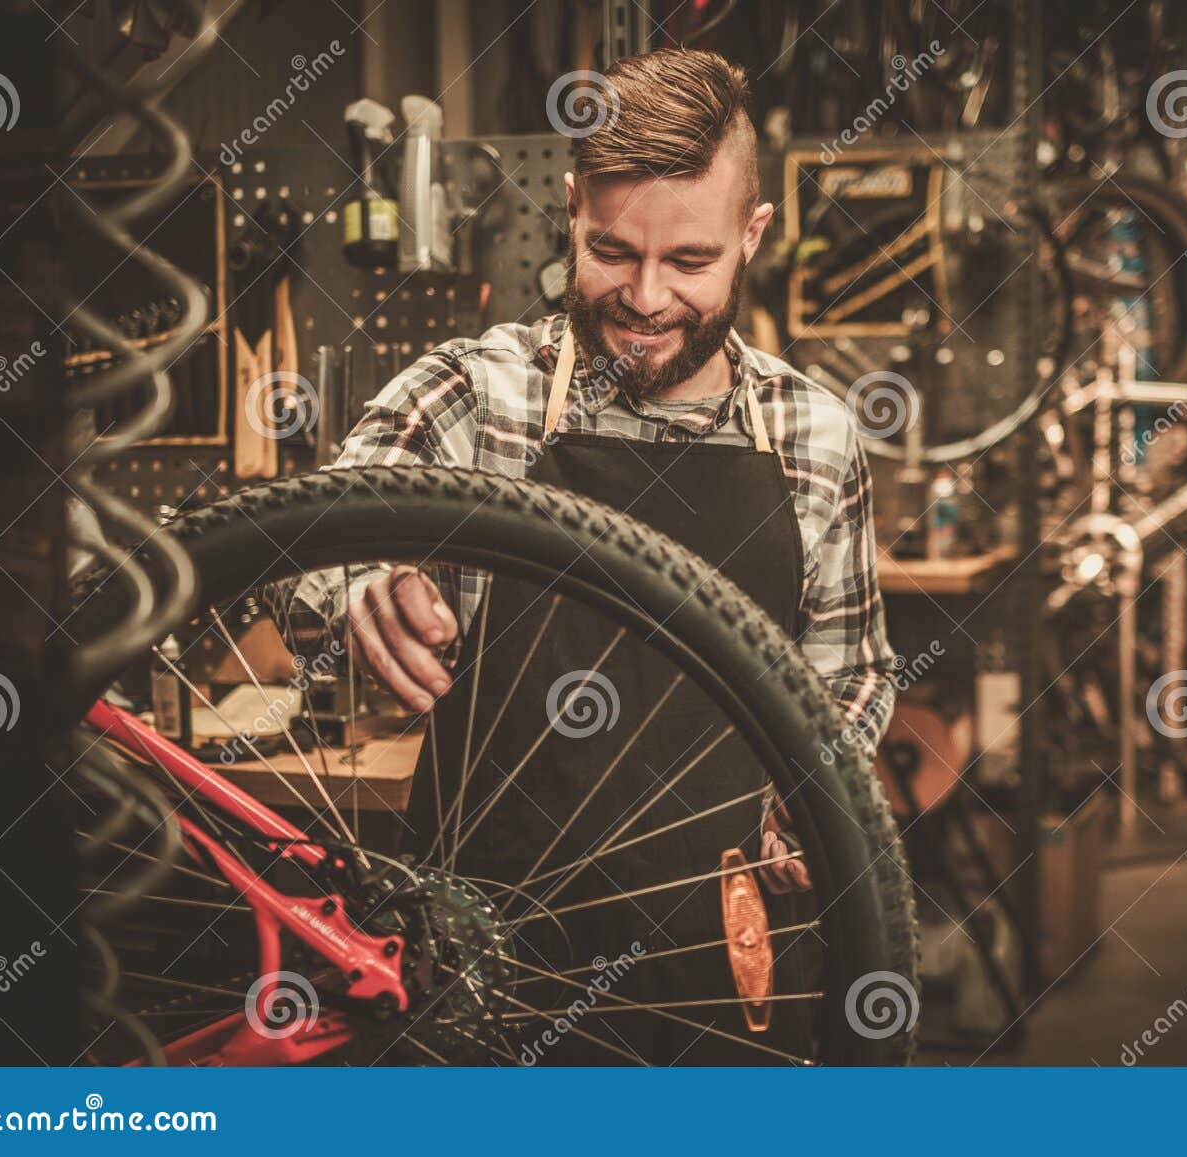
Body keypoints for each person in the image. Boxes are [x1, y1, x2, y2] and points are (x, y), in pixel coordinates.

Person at [325, 47, 897, 1061]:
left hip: (724, 961)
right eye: (610, 251)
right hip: (479, 957)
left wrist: (811, 794)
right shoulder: (478, 396)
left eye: (688, 261)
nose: (641, 297)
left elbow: (848, 678)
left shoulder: (813, 434)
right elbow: (303, 536)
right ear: (571, 210)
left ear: (752, 236)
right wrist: (358, 583)